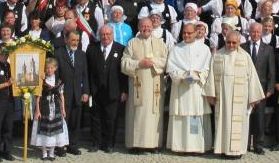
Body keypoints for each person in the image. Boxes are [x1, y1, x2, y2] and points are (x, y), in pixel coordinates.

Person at [207, 31, 265, 157]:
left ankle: (237, 151)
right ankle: (222, 149)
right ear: (225, 41)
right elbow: (211, 75)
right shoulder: (218, 55)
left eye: (234, 43)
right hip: (222, 97)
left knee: (239, 124)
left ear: (239, 43)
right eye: (229, 42)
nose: (231, 45)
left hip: (240, 99)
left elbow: (252, 77)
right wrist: (211, 93)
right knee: (223, 123)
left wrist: (253, 97)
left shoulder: (245, 56)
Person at [121, 18, 169, 152]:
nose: (146, 28)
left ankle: (152, 144)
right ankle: (135, 144)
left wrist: (152, 62)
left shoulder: (160, 43)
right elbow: (124, 63)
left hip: (155, 85)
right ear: (138, 27)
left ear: (152, 27)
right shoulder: (132, 43)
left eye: (148, 26)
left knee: (154, 114)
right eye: (143, 26)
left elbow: (166, 61)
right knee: (138, 114)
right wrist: (139, 64)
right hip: (138, 85)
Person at [166, 23, 214, 153]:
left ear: (196, 33)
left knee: (195, 116)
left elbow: (208, 69)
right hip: (180, 89)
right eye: (184, 33)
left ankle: (196, 147)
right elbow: (171, 69)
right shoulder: (176, 49)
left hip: (196, 90)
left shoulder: (204, 49)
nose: (186, 35)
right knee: (181, 117)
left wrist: (198, 75)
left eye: (189, 33)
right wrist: (182, 76)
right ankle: (180, 146)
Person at [86, 25, 127, 153]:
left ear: (113, 35)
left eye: (108, 34)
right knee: (96, 118)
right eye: (103, 34)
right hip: (96, 90)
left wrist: (125, 90)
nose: (105, 37)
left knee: (111, 118)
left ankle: (109, 143)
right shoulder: (92, 48)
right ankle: (96, 143)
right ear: (99, 35)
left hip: (114, 90)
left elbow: (124, 73)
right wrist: (87, 90)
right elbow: (87, 70)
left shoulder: (120, 49)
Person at [54, 30, 90, 155]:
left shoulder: (81, 54)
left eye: (77, 40)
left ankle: (73, 145)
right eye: (73, 40)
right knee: (63, 121)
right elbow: (56, 76)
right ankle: (60, 146)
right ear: (66, 40)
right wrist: (57, 93)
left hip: (78, 93)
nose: (75, 42)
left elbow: (85, 75)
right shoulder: (58, 54)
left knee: (75, 121)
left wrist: (86, 92)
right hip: (64, 93)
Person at [242, 23, 275, 154]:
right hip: (245, 86)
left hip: (261, 87)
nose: (255, 34)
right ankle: (245, 144)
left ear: (261, 33)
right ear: (249, 32)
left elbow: (271, 71)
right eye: (253, 32)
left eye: (257, 32)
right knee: (246, 116)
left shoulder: (268, 49)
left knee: (259, 118)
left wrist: (270, 88)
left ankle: (258, 145)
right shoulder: (243, 47)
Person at [32, 58, 69, 160]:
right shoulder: (41, 81)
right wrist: (37, 110)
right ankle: (44, 152)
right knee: (44, 130)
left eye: (51, 68)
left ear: (55, 68)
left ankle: (52, 153)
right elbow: (37, 97)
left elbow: (61, 96)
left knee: (55, 131)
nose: (49, 70)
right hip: (44, 108)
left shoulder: (59, 81)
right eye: (47, 68)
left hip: (56, 108)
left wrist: (63, 109)